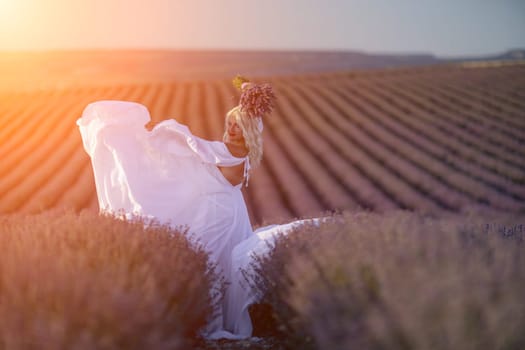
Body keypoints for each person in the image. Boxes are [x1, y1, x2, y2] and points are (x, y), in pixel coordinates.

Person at [77, 77, 308, 339]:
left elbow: (194, 146)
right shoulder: (236, 151)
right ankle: (212, 319)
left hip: (219, 216)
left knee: (213, 263)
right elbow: (197, 151)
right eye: (230, 124)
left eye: (238, 125)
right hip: (222, 212)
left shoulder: (228, 151)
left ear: (248, 129)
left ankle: (210, 322)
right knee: (218, 264)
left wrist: (167, 135)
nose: (232, 129)